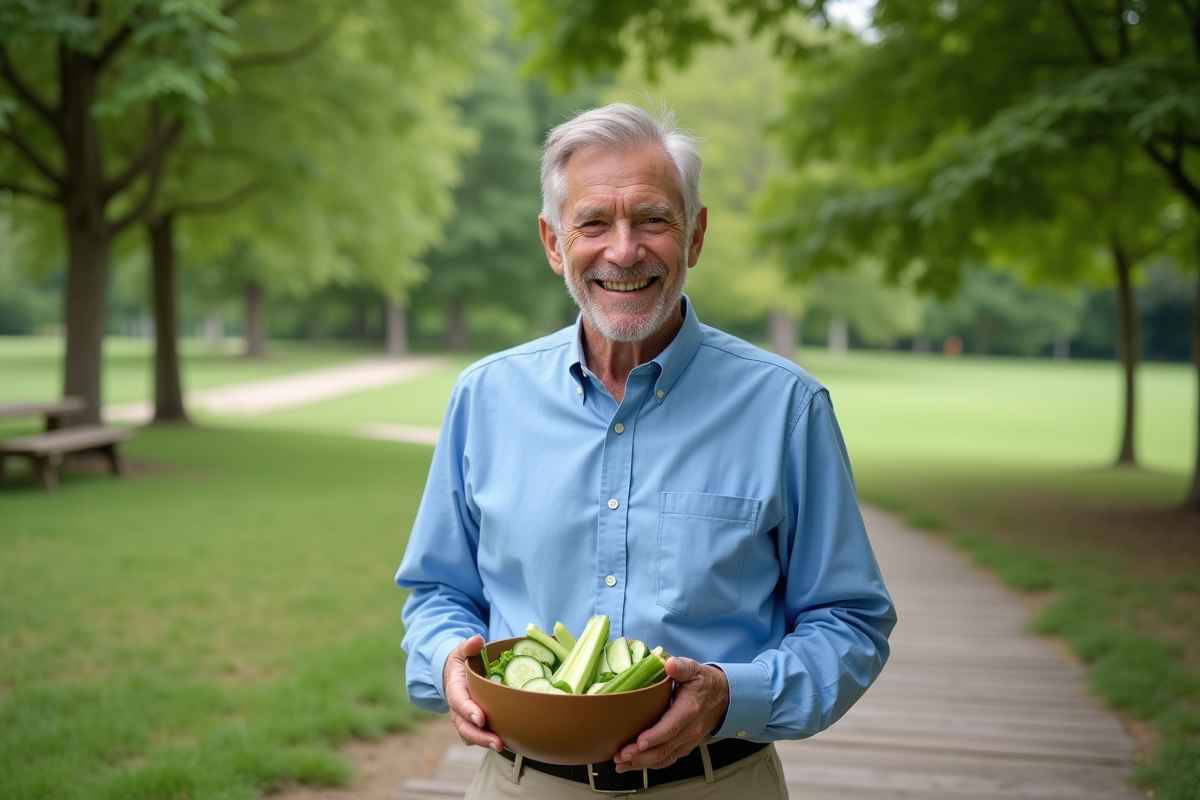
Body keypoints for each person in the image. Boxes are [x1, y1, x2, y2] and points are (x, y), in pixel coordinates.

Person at [395, 103, 896, 798]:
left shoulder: (786, 406)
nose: (623, 250)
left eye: (653, 220)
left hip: (719, 781)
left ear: (694, 236)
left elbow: (851, 622)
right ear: (551, 241)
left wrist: (731, 694)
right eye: (594, 222)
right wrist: (446, 660)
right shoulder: (484, 398)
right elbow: (438, 591)